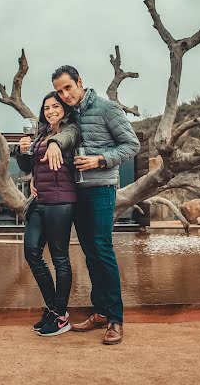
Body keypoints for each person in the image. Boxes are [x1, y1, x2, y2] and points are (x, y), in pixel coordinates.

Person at [39, 64, 140, 345]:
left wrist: (100, 160)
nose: (64, 95)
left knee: (102, 250)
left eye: (68, 87)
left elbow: (132, 145)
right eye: (59, 91)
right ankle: (100, 311)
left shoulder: (107, 108)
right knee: (90, 253)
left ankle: (115, 319)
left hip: (101, 189)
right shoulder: (70, 113)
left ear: (80, 82)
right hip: (76, 193)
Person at [15, 91, 81, 337]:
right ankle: (54, 309)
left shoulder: (71, 129)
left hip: (61, 202)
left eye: (55, 106)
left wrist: (54, 143)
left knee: (59, 257)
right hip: (39, 201)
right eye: (46, 108)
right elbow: (27, 167)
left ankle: (61, 316)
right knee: (31, 252)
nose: (51, 111)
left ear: (64, 108)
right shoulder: (41, 133)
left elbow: (67, 137)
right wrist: (22, 151)